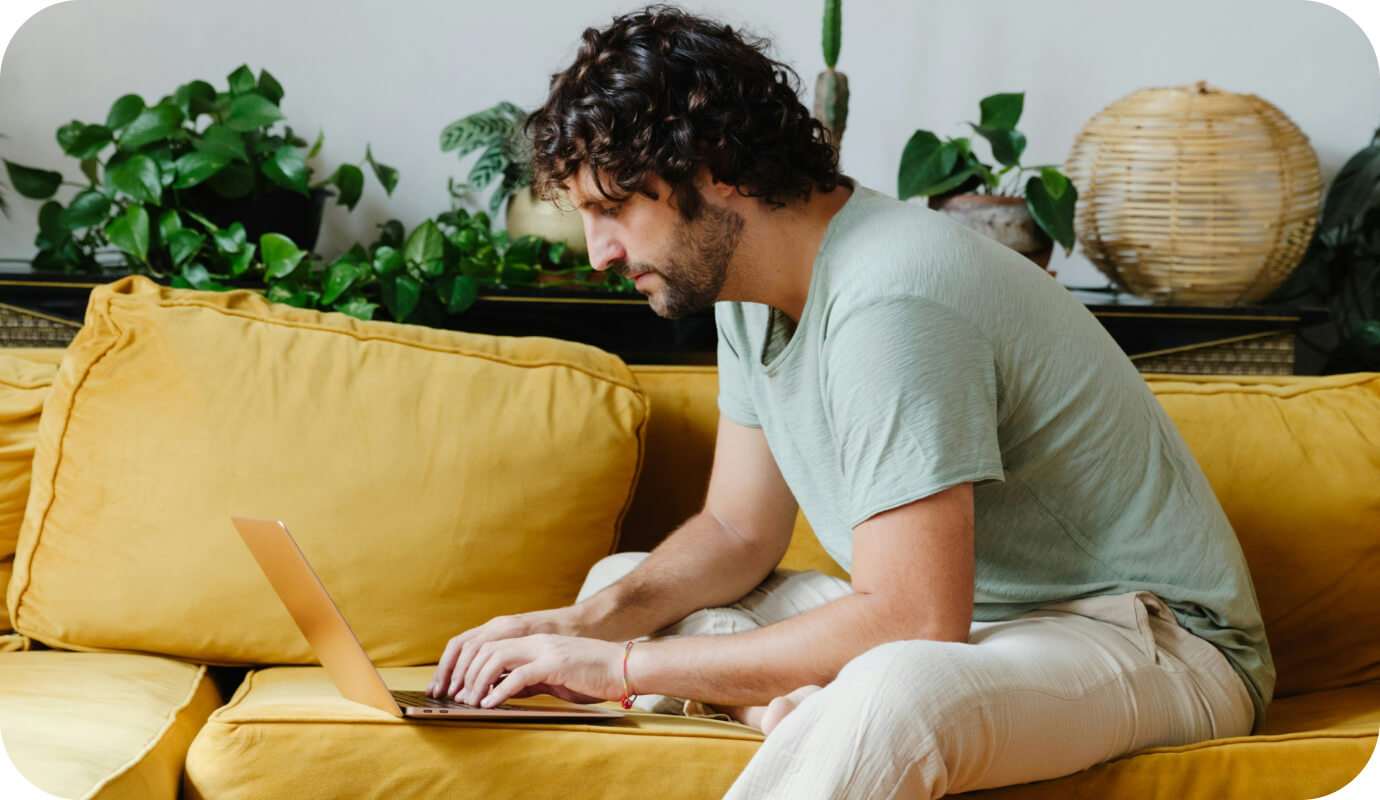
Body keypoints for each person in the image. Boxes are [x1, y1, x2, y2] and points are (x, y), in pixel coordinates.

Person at [427, 5, 1274, 797]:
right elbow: (736, 532)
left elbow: (914, 618)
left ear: (713, 167)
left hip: (1149, 641)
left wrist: (618, 672)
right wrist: (585, 624)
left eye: (613, 208)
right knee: (626, 587)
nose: (598, 252)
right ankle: (802, 722)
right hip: (977, 633)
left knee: (893, 690)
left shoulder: (892, 295)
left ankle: (818, 721)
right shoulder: (741, 288)